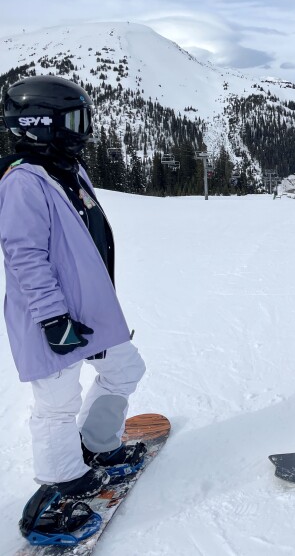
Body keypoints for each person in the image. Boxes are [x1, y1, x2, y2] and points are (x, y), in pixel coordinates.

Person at [0, 76, 147, 541]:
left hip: (91, 309)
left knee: (125, 369)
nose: (85, 130)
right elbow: (24, 255)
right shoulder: (23, 181)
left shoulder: (66, 169)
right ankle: (56, 492)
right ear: (42, 125)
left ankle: (96, 446)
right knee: (56, 404)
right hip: (52, 317)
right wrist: (52, 319)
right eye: (76, 120)